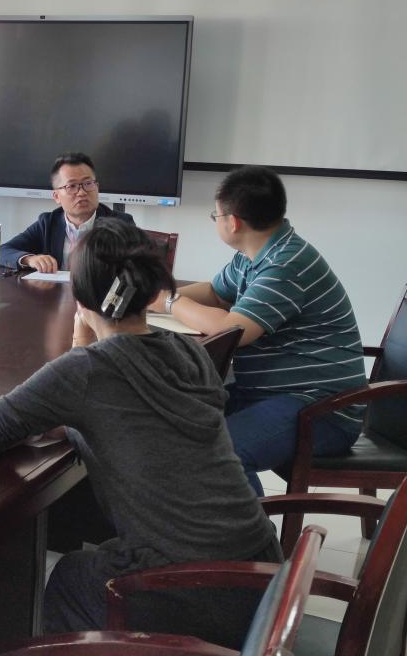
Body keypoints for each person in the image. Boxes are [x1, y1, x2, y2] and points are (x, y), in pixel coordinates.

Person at [0, 219, 280, 656]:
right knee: (99, 565)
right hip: (260, 574)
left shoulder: (85, 370)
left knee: (73, 580)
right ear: (150, 291)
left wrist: (79, 347)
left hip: (198, 593)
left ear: (80, 296)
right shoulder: (190, 352)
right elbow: (129, 416)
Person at [149, 166, 365, 495]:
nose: (216, 221)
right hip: (270, 395)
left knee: (222, 453)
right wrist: (151, 298)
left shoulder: (286, 264)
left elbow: (231, 329)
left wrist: (169, 302)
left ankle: (252, 529)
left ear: (233, 222)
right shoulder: (255, 254)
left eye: (215, 215)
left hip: (321, 409)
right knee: (177, 420)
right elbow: (215, 293)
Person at [0, 152, 134, 273]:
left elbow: (137, 268)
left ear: (97, 188)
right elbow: (2, 251)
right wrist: (29, 259)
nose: (81, 192)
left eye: (88, 183)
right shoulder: (47, 223)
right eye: (72, 186)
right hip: (54, 293)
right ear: (57, 196)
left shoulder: (121, 224)